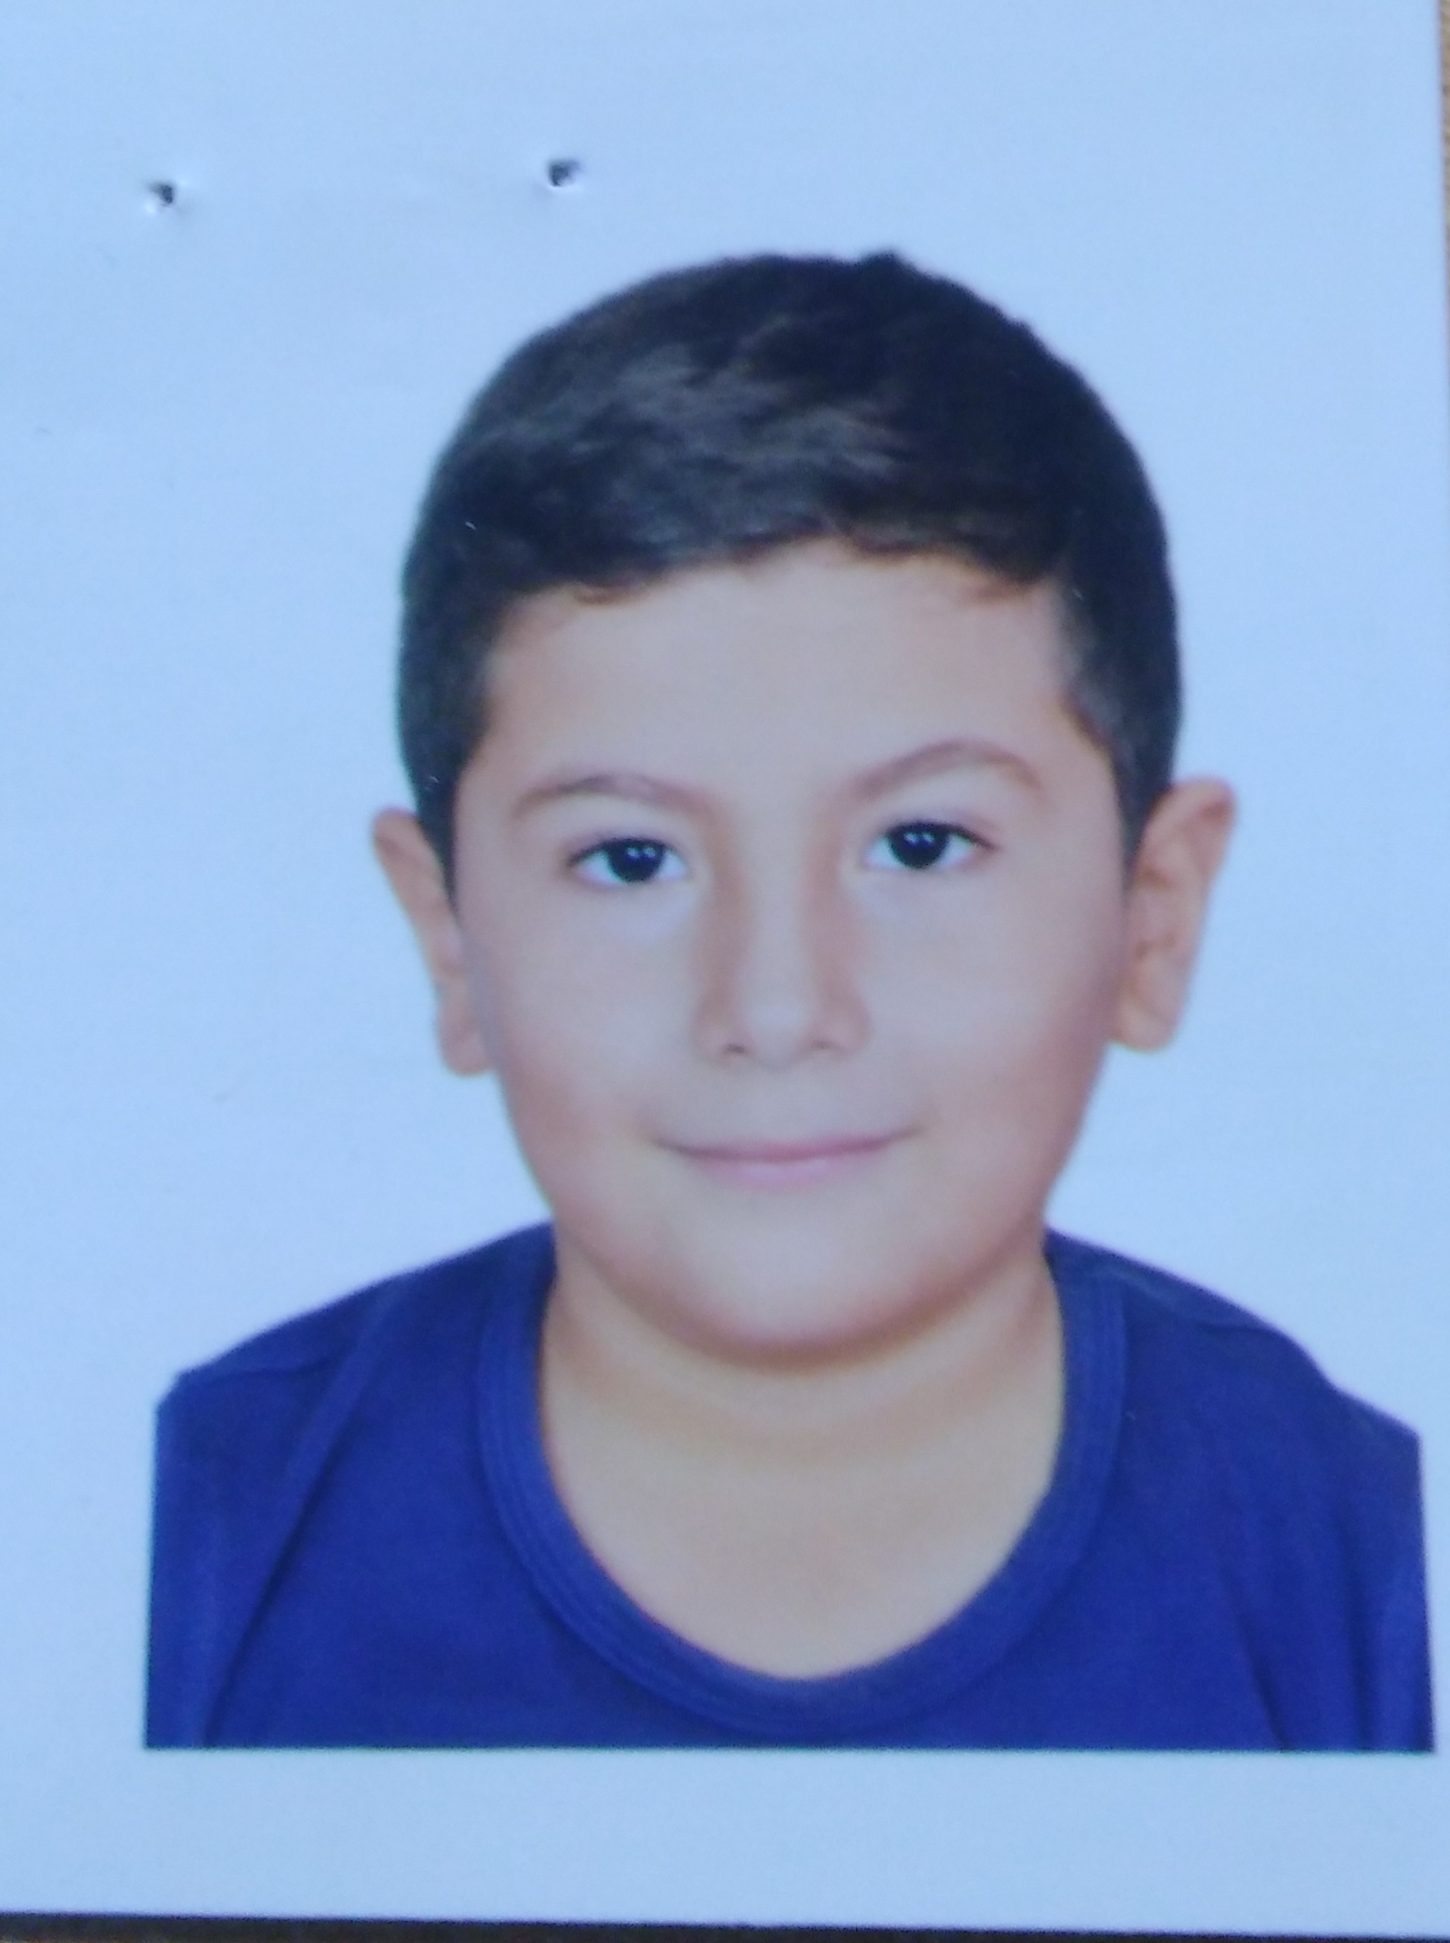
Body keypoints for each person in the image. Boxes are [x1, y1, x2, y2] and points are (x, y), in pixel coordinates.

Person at [146, 252, 1432, 1750]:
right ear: (448, 939)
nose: (773, 1006)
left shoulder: (1364, 1567)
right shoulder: (196, 1534)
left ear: (1154, 914)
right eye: (631, 859)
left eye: (920, 844)